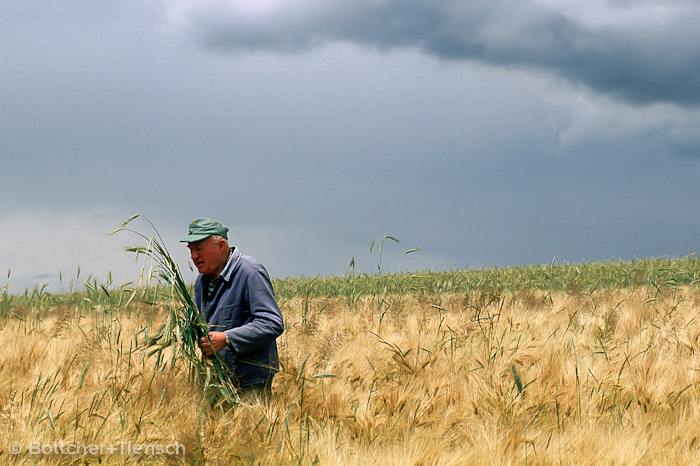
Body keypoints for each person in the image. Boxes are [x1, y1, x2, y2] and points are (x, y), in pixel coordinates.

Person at [180, 218, 284, 398]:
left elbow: (272, 323)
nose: (193, 257)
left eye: (199, 249)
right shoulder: (202, 281)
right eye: (191, 250)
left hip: (249, 384)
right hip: (214, 380)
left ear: (221, 246)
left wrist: (227, 338)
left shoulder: (250, 272)